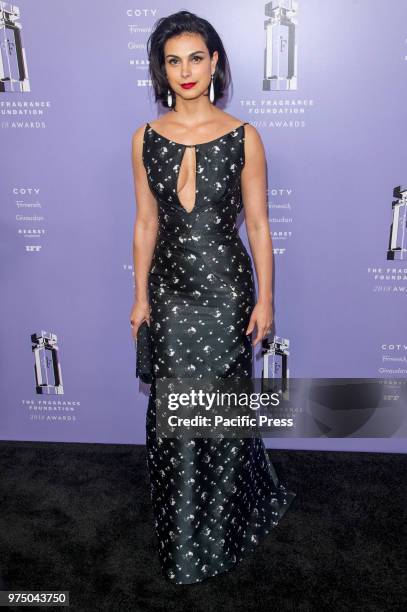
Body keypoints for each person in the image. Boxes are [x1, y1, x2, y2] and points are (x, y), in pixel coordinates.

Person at [129, 10, 296, 585]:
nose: (186, 71)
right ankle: (181, 533)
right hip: (170, 294)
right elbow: (146, 223)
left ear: (215, 62)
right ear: (162, 69)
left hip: (226, 291)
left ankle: (224, 525)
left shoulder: (245, 135)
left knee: (222, 411)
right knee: (174, 412)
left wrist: (266, 298)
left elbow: (259, 226)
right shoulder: (144, 140)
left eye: (196, 58)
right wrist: (140, 297)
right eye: (174, 61)